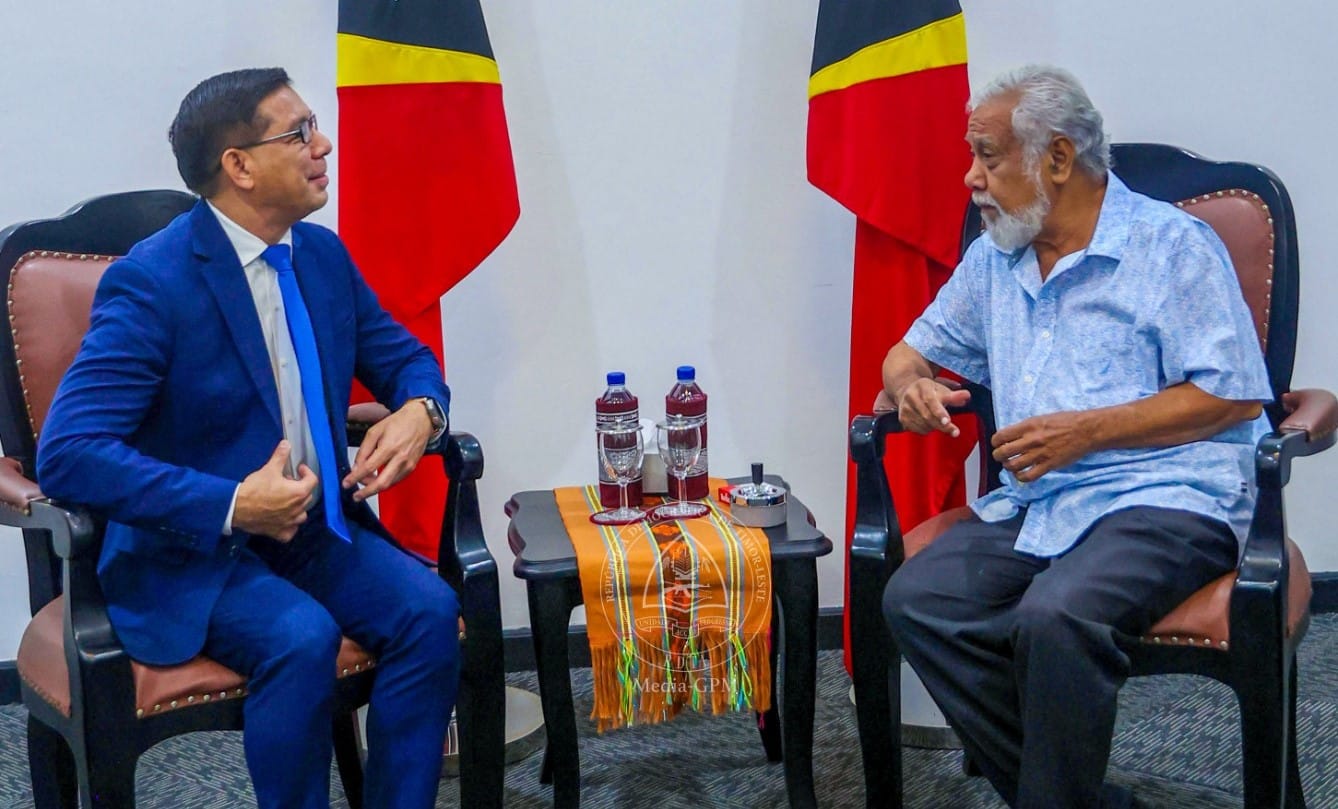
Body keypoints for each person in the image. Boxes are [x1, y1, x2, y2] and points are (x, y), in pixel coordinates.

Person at [37, 68, 458, 809]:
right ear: (239, 165)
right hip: (191, 553)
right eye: (299, 134)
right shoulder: (154, 281)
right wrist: (233, 503)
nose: (323, 146)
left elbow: (405, 359)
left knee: (428, 611)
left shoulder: (320, 256)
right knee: (301, 635)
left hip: (312, 530)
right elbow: (68, 454)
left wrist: (423, 410)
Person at [875, 65, 1271, 809]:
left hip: (1170, 497)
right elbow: (907, 352)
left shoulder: (1172, 246)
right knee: (918, 599)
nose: (970, 177)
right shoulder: (997, 256)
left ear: (1057, 157)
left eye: (988, 156)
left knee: (1056, 616)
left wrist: (1088, 431)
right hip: (1043, 500)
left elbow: (1232, 394)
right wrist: (910, 385)